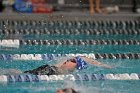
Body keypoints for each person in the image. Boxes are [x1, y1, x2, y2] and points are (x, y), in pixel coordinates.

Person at [23, 56, 112, 75]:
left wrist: (102, 65)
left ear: (76, 67)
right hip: (48, 69)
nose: (68, 60)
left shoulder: (67, 74)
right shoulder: (54, 68)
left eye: (72, 61)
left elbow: (81, 59)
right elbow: (79, 57)